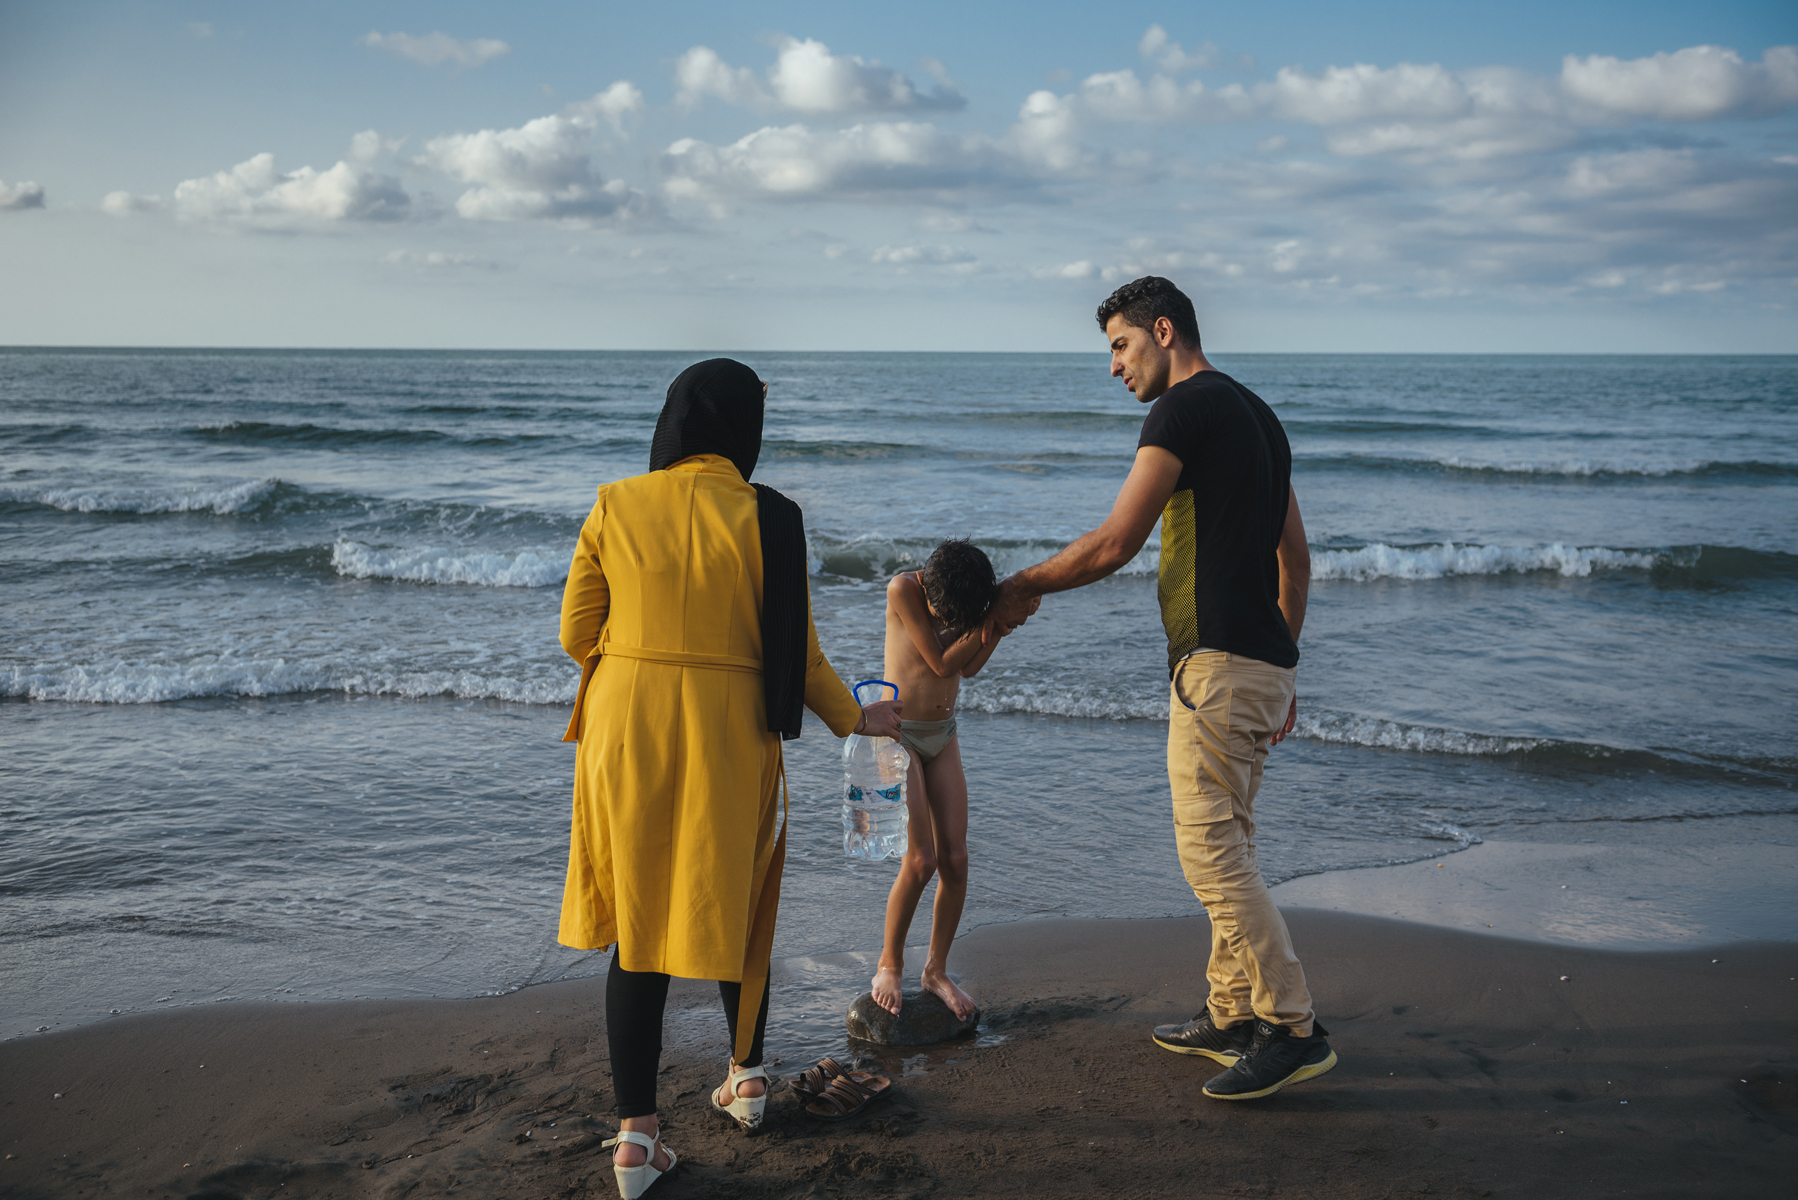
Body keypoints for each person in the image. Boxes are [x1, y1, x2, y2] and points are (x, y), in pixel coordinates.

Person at [557, 358, 904, 1199]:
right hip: (729, 733)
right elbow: (801, 656)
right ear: (744, 428)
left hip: (626, 728)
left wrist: (642, 661)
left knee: (638, 926)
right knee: (737, 907)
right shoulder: (772, 519)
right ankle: (746, 1080)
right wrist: (859, 720)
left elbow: (575, 633)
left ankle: (636, 1142)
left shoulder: (615, 503)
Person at [984, 276, 1334, 1101]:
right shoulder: (1260, 417)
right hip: (1260, 666)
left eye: (1120, 345)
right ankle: (1232, 1012)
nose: (1114, 365)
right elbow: (1295, 559)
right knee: (1231, 841)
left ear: (1164, 331)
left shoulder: (1181, 410)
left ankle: (1292, 1027)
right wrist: (1283, 661)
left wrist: (1017, 586)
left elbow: (1116, 541)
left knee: (1210, 853)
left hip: (1218, 667)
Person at [870, 539, 1019, 1021]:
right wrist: (993, 619)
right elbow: (939, 662)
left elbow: (967, 667)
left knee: (955, 858)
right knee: (921, 860)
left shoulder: (965, 599)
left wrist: (998, 625)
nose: (946, 620)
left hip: (943, 734)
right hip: (899, 736)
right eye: (944, 615)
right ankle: (889, 964)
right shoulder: (903, 590)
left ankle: (935, 971)